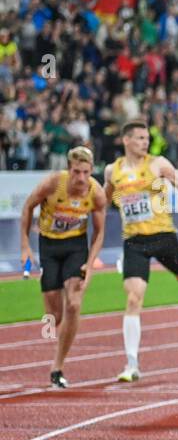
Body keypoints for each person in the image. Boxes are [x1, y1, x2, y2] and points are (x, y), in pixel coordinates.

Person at [103, 119, 178, 383]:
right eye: (139, 138)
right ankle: (131, 364)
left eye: (146, 138)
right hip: (134, 241)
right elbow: (107, 199)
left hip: (163, 236)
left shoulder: (158, 164)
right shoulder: (111, 170)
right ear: (126, 140)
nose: (144, 142)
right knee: (133, 298)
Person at [18, 147, 107, 388]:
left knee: (75, 303)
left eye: (86, 172)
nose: (81, 178)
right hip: (48, 245)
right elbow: (27, 207)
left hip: (75, 246)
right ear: (69, 170)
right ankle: (49, 295)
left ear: (91, 171)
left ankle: (57, 366)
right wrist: (25, 246)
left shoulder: (96, 192)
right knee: (54, 316)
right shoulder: (52, 183)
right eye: (76, 172)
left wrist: (89, 264)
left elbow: (99, 233)